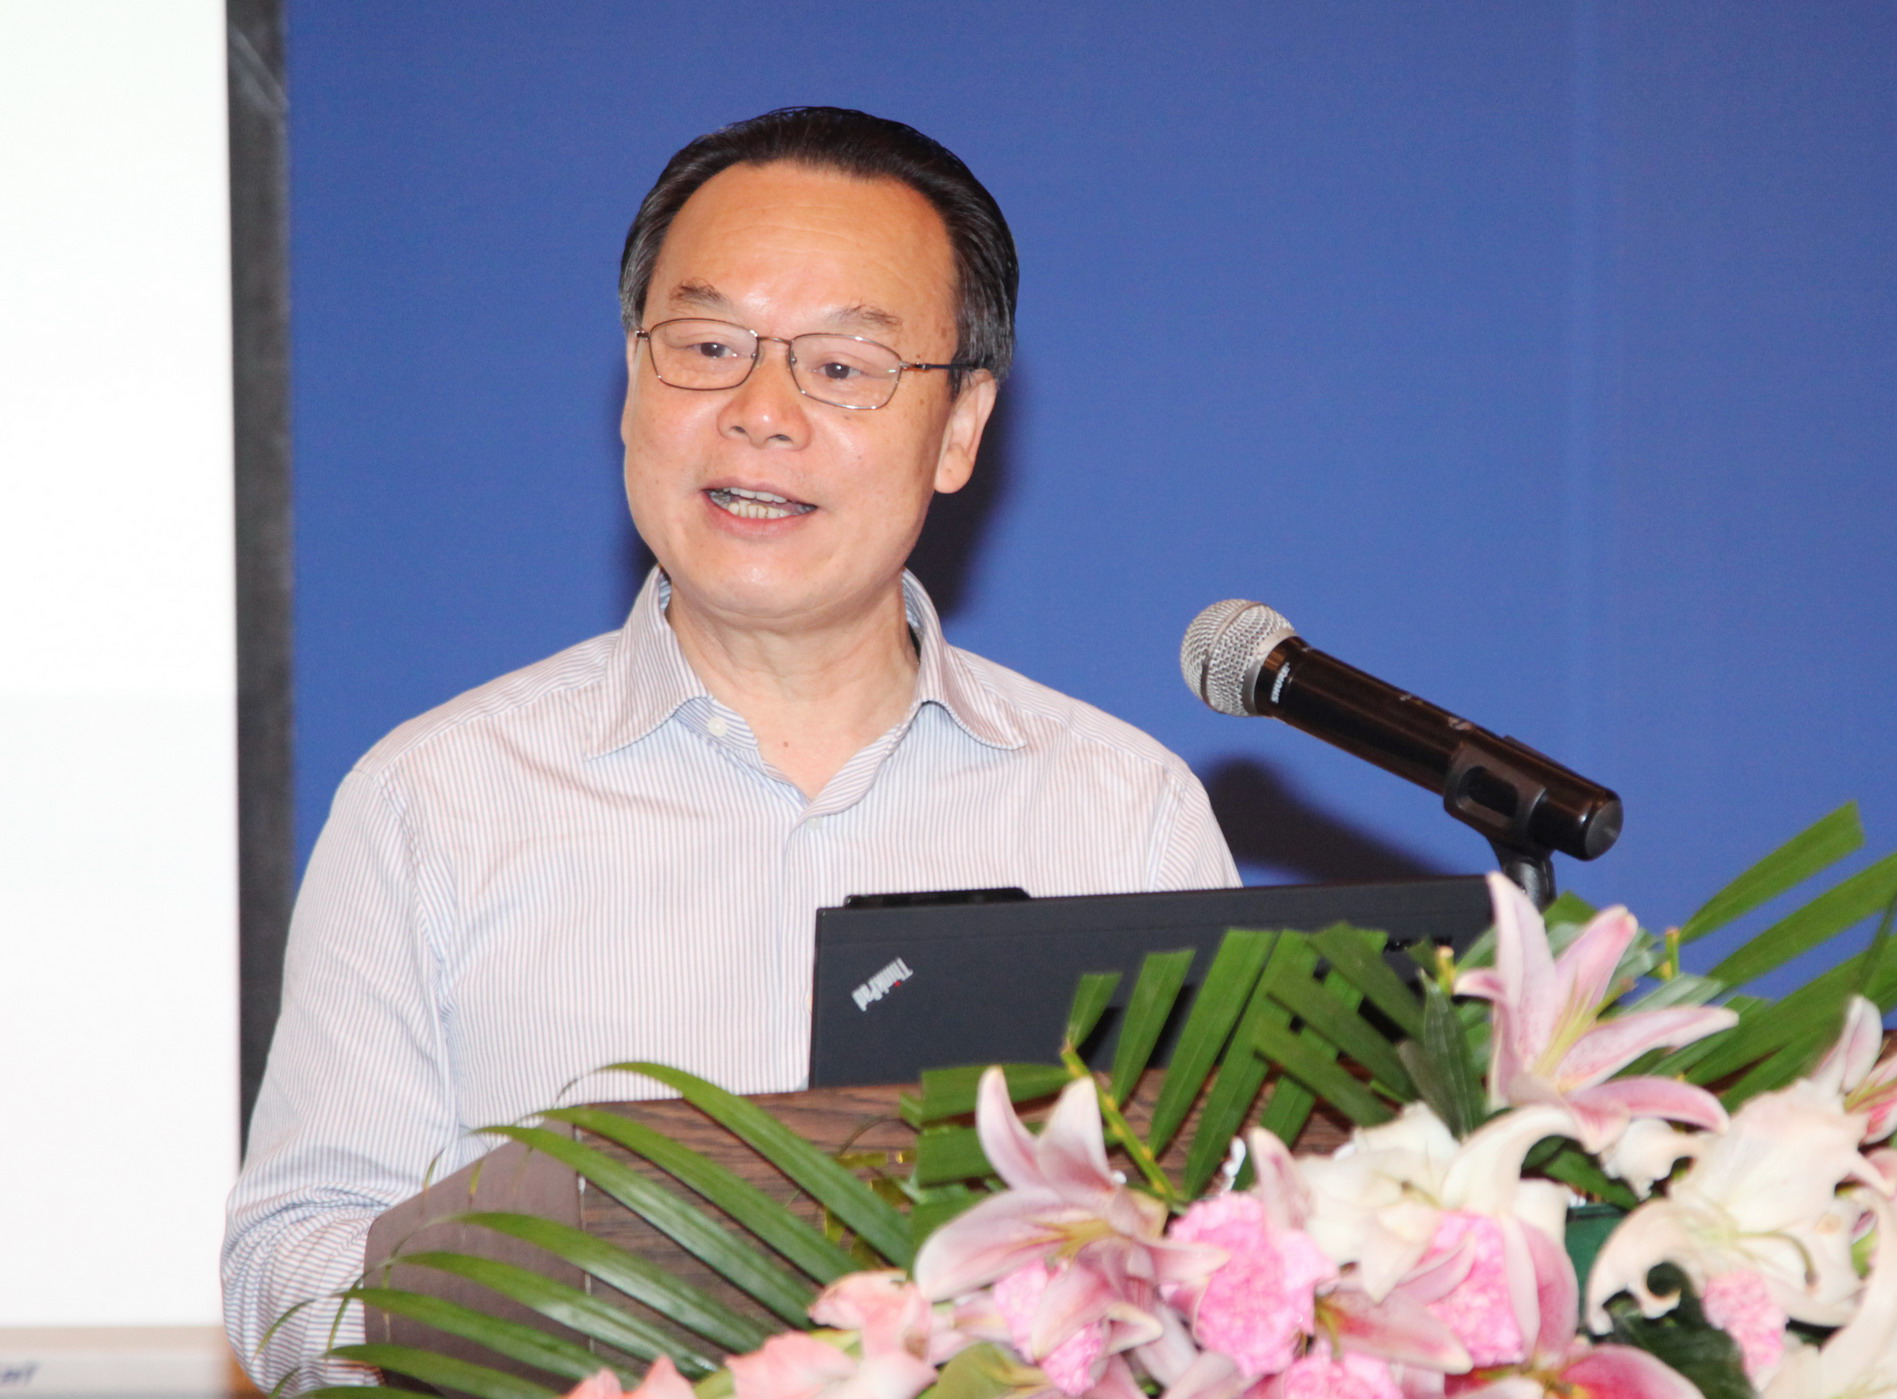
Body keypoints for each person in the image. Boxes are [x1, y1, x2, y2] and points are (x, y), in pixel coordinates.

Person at [223, 107, 1237, 1390]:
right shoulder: (436, 800)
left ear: (959, 426)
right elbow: (288, 1257)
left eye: (842, 366)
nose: (761, 413)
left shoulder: (1118, 813)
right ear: (632, 377)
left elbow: (1221, 1254)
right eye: (707, 347)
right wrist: (527, 1343)